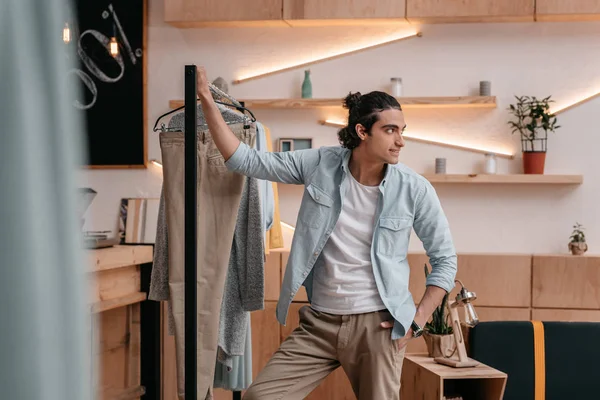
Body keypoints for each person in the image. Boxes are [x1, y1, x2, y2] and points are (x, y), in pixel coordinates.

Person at [196, 67, 457, 399]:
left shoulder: (415, 189)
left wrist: (417, 320)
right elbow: (245, 160)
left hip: (376, 326)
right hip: (319, 323)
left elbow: (445, 261)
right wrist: (206, 99)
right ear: (362, 131)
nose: (400, 140)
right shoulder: (320, 164)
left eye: (402, 130)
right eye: (390, 130)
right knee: (259, 396)